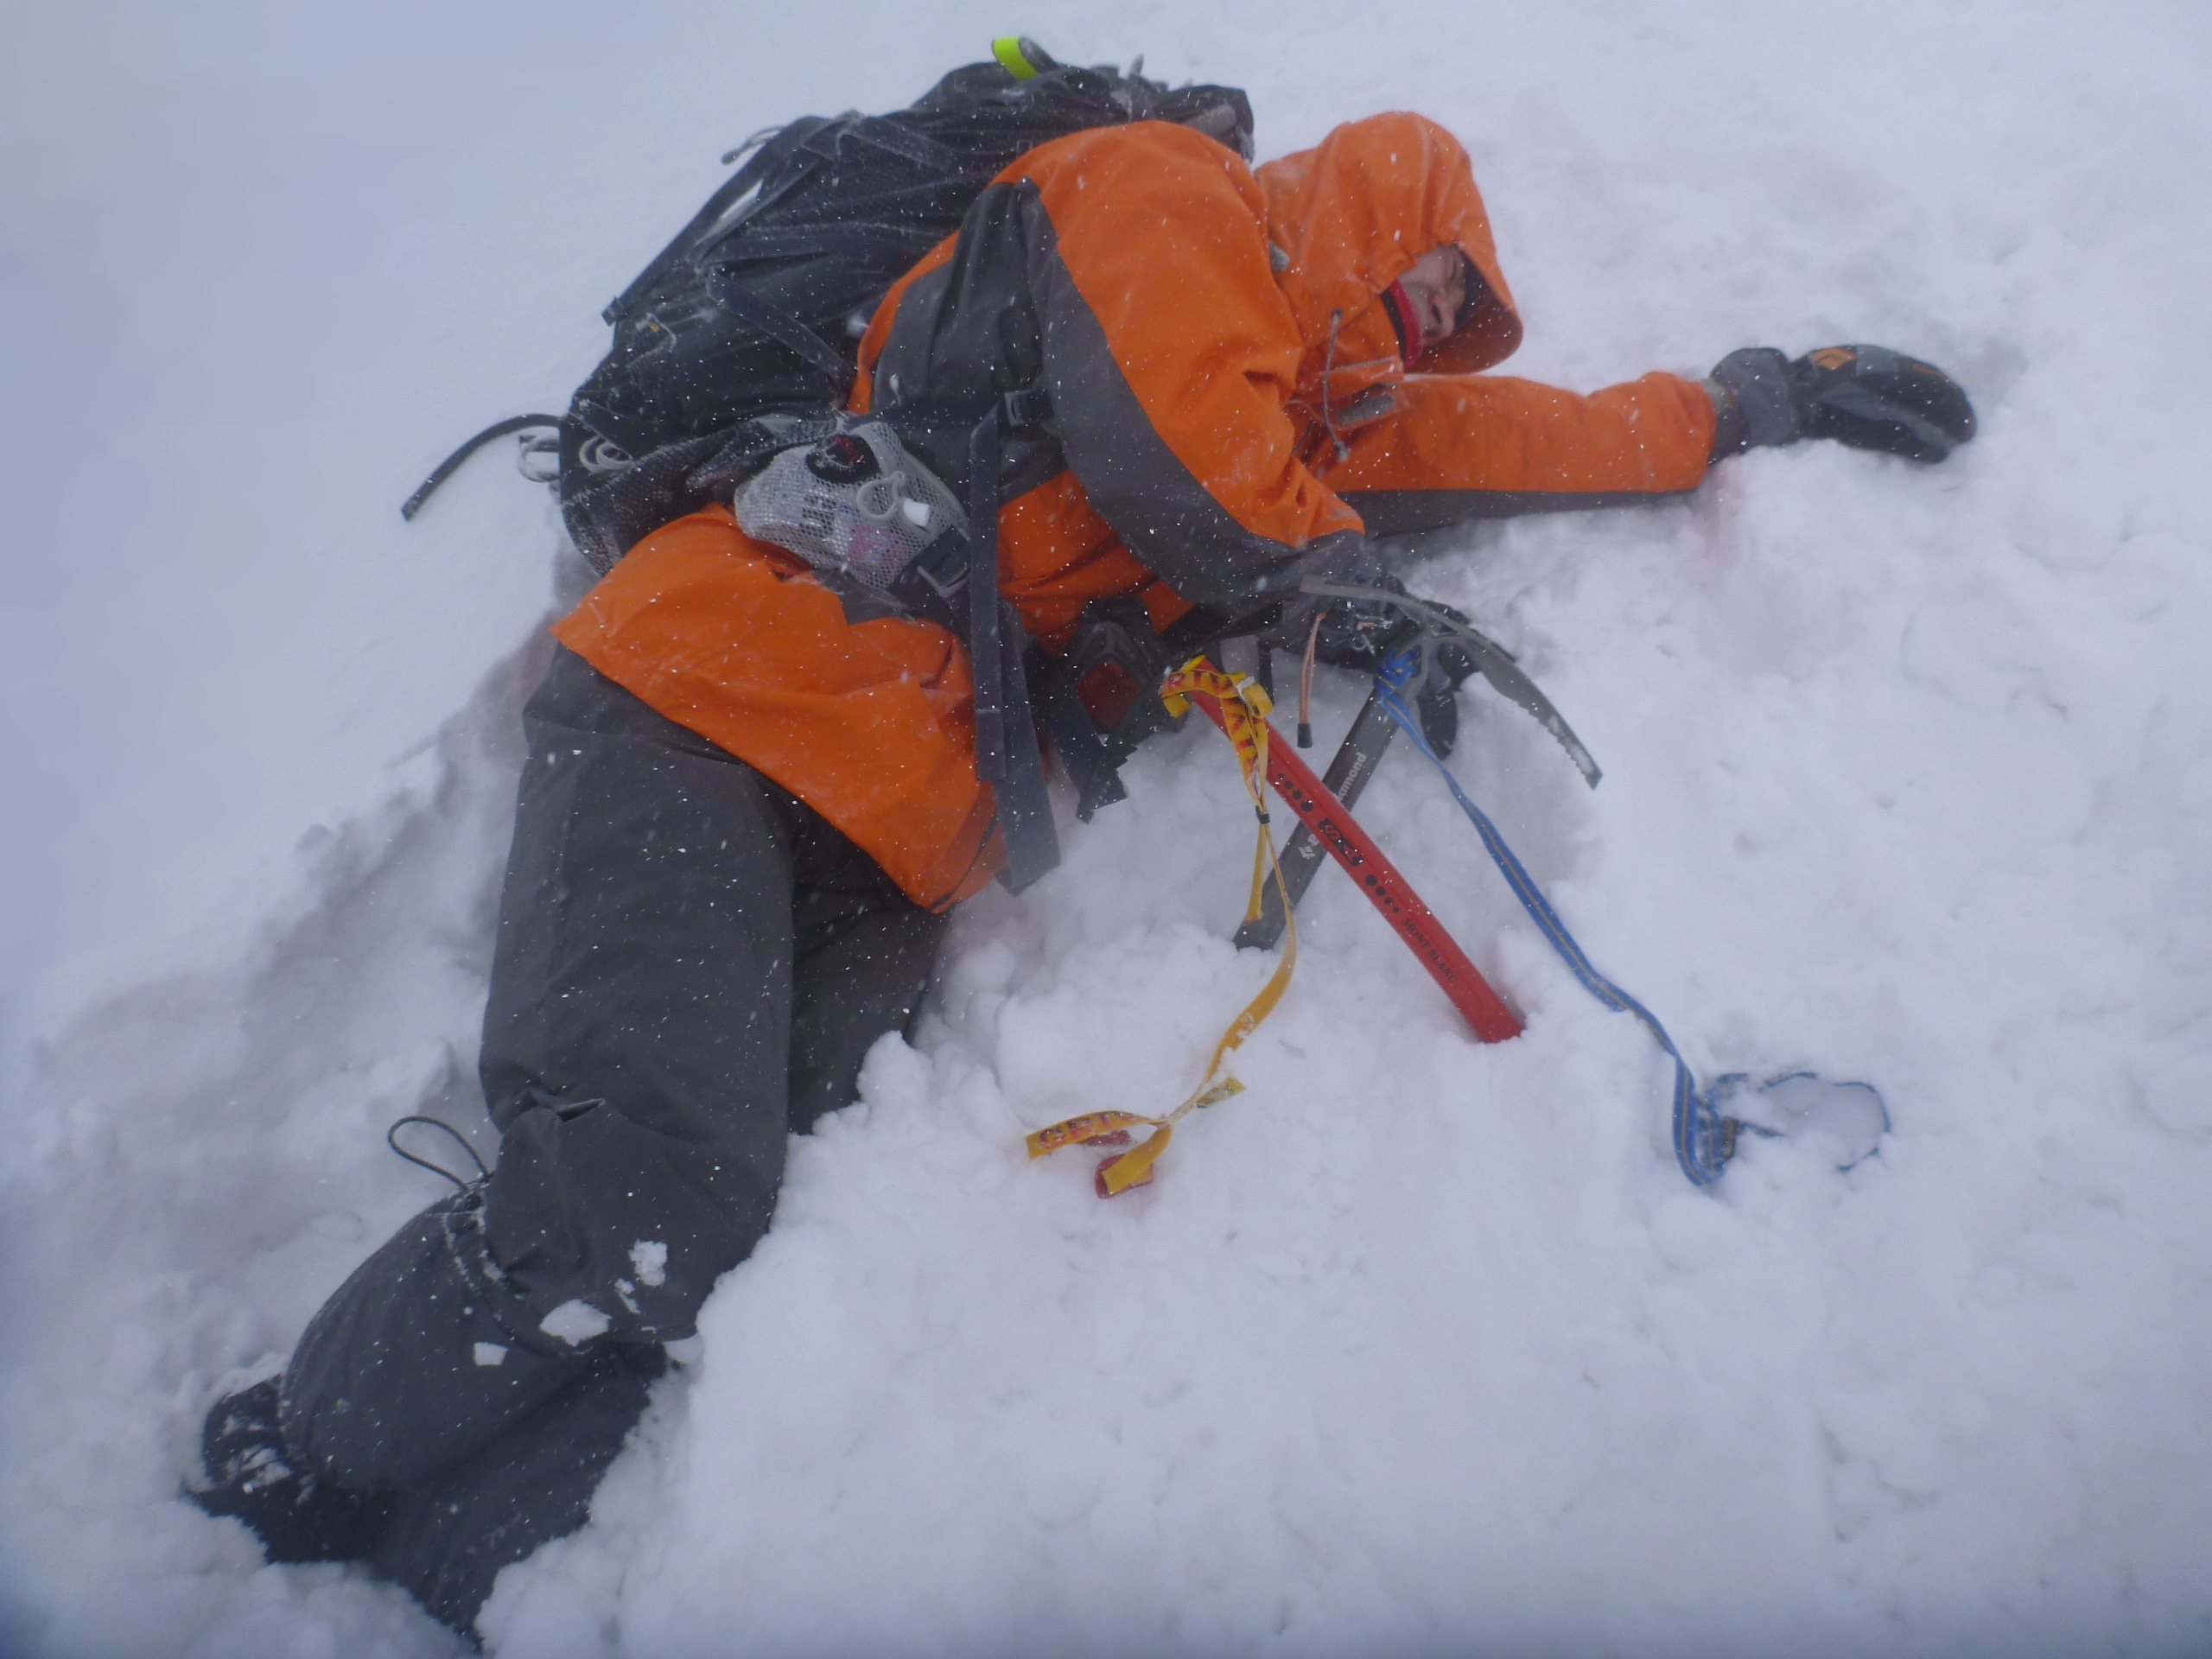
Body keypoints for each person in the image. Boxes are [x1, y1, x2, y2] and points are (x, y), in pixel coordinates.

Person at [190, 106, 1973, 1635]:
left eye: (1453, 322)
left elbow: (1508, 440)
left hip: (883, 828)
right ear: (1376, 198)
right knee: (642, 1188)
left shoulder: (1320, 437)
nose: (1426, 332)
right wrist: (1308, 563)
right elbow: (1178, 442)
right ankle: (296, 1450)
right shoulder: (1157, 192)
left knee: (740, 1234)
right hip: (713, 694)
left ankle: (440, 1566)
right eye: (1434, 279)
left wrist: (1748, 404)